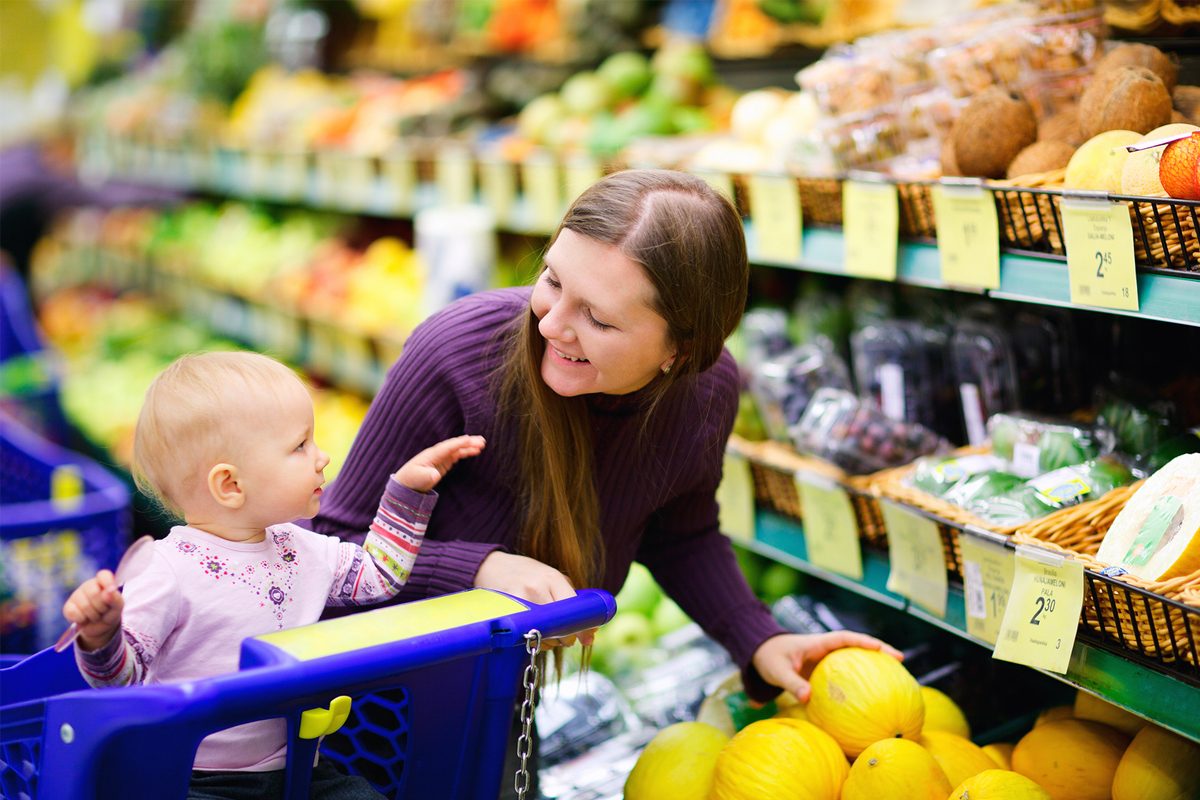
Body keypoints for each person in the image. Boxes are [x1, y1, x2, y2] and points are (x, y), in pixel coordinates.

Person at [313, 169, 900, 792]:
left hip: (503, 695)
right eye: (552, 280)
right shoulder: (458, 352)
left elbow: (681, 533)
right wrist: (481, 573)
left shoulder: (704, 393)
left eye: (597, 317)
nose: (549, 324)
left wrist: (757, 638)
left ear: (679, 348)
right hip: (363, 708)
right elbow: (330, 547)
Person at [61, 350, 485, 799]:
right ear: (230, 485)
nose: (322, 457)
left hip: (302, 767)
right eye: (300, 446)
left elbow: (378, 576)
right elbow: (120, 681)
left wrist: (406, 494)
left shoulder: (300, 545)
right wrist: (102, 634)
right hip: (194, 779)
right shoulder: (169, 571)